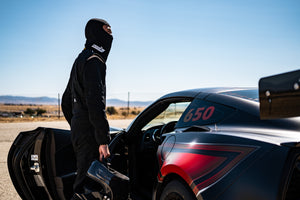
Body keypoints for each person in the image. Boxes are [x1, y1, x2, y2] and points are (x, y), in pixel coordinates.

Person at [62, 18, 113, 199]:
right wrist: (102, 140)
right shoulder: (94, 60)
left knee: (82, 178)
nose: (111, 35)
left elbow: (66, 102)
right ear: (96, 33)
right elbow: (95, 102)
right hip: (90, 134)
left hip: (80, 130)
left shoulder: (80, 59)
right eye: (107, 30)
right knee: (90, 186)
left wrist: (77, 123)